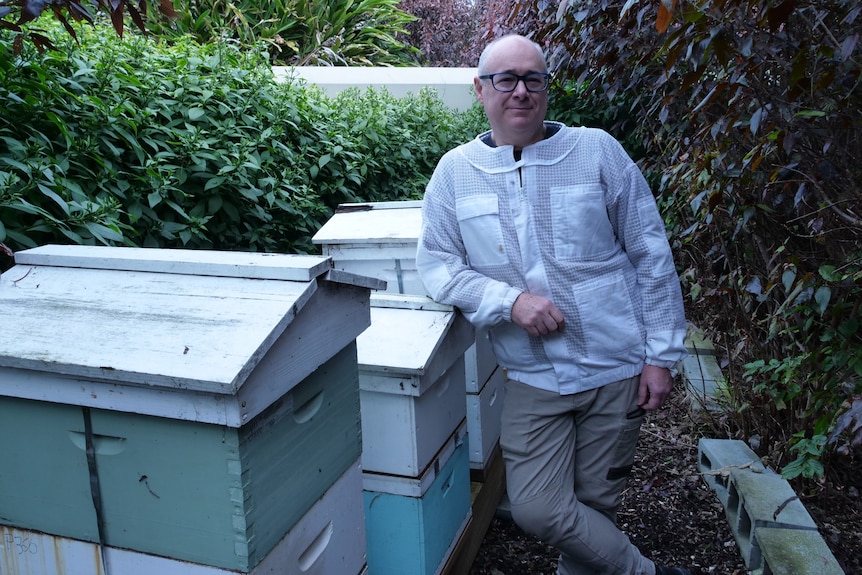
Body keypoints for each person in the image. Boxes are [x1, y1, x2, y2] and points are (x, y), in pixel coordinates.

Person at [416, 34, 692, 575]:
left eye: (533, 79)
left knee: (595, 508)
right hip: (532, 378)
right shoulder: (454, 173)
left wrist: (661, 356)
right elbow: (439, 265)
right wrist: (507, 300)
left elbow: (650, 253)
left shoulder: (596, 151)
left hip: (615, 368)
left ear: (546, 87)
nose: (520, 91)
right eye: (505, 79)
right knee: (540, 510)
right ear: (480, 89)